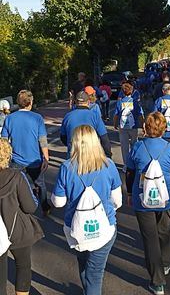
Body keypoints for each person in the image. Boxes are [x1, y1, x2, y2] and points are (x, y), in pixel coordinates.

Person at [51, 125, 122, 295]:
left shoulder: (67, 168)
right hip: (105, 228)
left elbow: (58, 202)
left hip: (75, 228)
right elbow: (117, 201)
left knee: (83, 263)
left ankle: (87, 290)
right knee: (95, 272)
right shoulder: (109, 165)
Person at [126, 112, 170, 295]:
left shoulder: (137, 147)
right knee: (164, 231)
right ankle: (167, 262)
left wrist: (129, 192)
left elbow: (130, 173)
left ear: (146, 128)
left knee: (150, 238)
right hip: (165, 198)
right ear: (164, 128)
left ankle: (157, 281)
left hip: (142, 199)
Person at [0, 138, 44, 295]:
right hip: (17, 230)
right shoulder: (17, 177)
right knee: (23, 265)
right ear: (7, 156)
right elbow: (30, 207)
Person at [1, 90, 51, 216]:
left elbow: (4, 141)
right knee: (40, 184)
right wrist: (46, 158)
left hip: (16, 160)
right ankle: (45, 207)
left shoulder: (10, 119)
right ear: (31, 102)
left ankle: (18, 208)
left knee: (15, 184)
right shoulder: (37, 118)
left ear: (18, 102)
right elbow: (42, 140)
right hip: (34, 159)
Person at [60, 91, 112, 158]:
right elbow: (104, 139)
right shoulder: (95, 116)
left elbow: (63, 137)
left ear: (75, 102)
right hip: (91, 155)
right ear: (88, 102)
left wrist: (71, 145)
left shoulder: (68, 116)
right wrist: (108, 155)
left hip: (73, 155)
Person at [113, 80, 144, 171]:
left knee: (124, 146)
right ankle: (134, 163)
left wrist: (115, 124)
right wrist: (143, 125)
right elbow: (140, 114)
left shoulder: (120, 102)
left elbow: (116, 115)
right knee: (135, 144)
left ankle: (126, 165)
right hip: (133, 126)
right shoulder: (135, 102)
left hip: (122, 126)